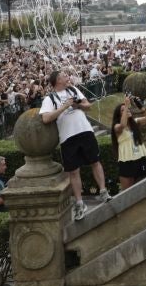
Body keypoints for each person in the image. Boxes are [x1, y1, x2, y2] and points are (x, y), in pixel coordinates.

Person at [40, 70, 106, 220]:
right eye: (64, 76)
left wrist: (79, 106)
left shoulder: (73, 89)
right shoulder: (49, 99)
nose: (67, 77)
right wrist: (64, 107)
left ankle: (103, 191)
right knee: (73, 171)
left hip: (85, 130)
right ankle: (79, 202)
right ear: (57, 80)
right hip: (67, 137)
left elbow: (88, 105)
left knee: (95, 161)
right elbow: (46, 118)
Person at [112, 92, 146, 194]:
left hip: (139, 158)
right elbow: (123, 124)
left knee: (144, 186)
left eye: (127, 109)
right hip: (126, 161)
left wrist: (141, 106)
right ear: (119, 115)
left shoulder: (136, 122)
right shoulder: (117, 127)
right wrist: (126, 105)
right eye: (123, 111)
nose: (127, 111)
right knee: (127, 192)